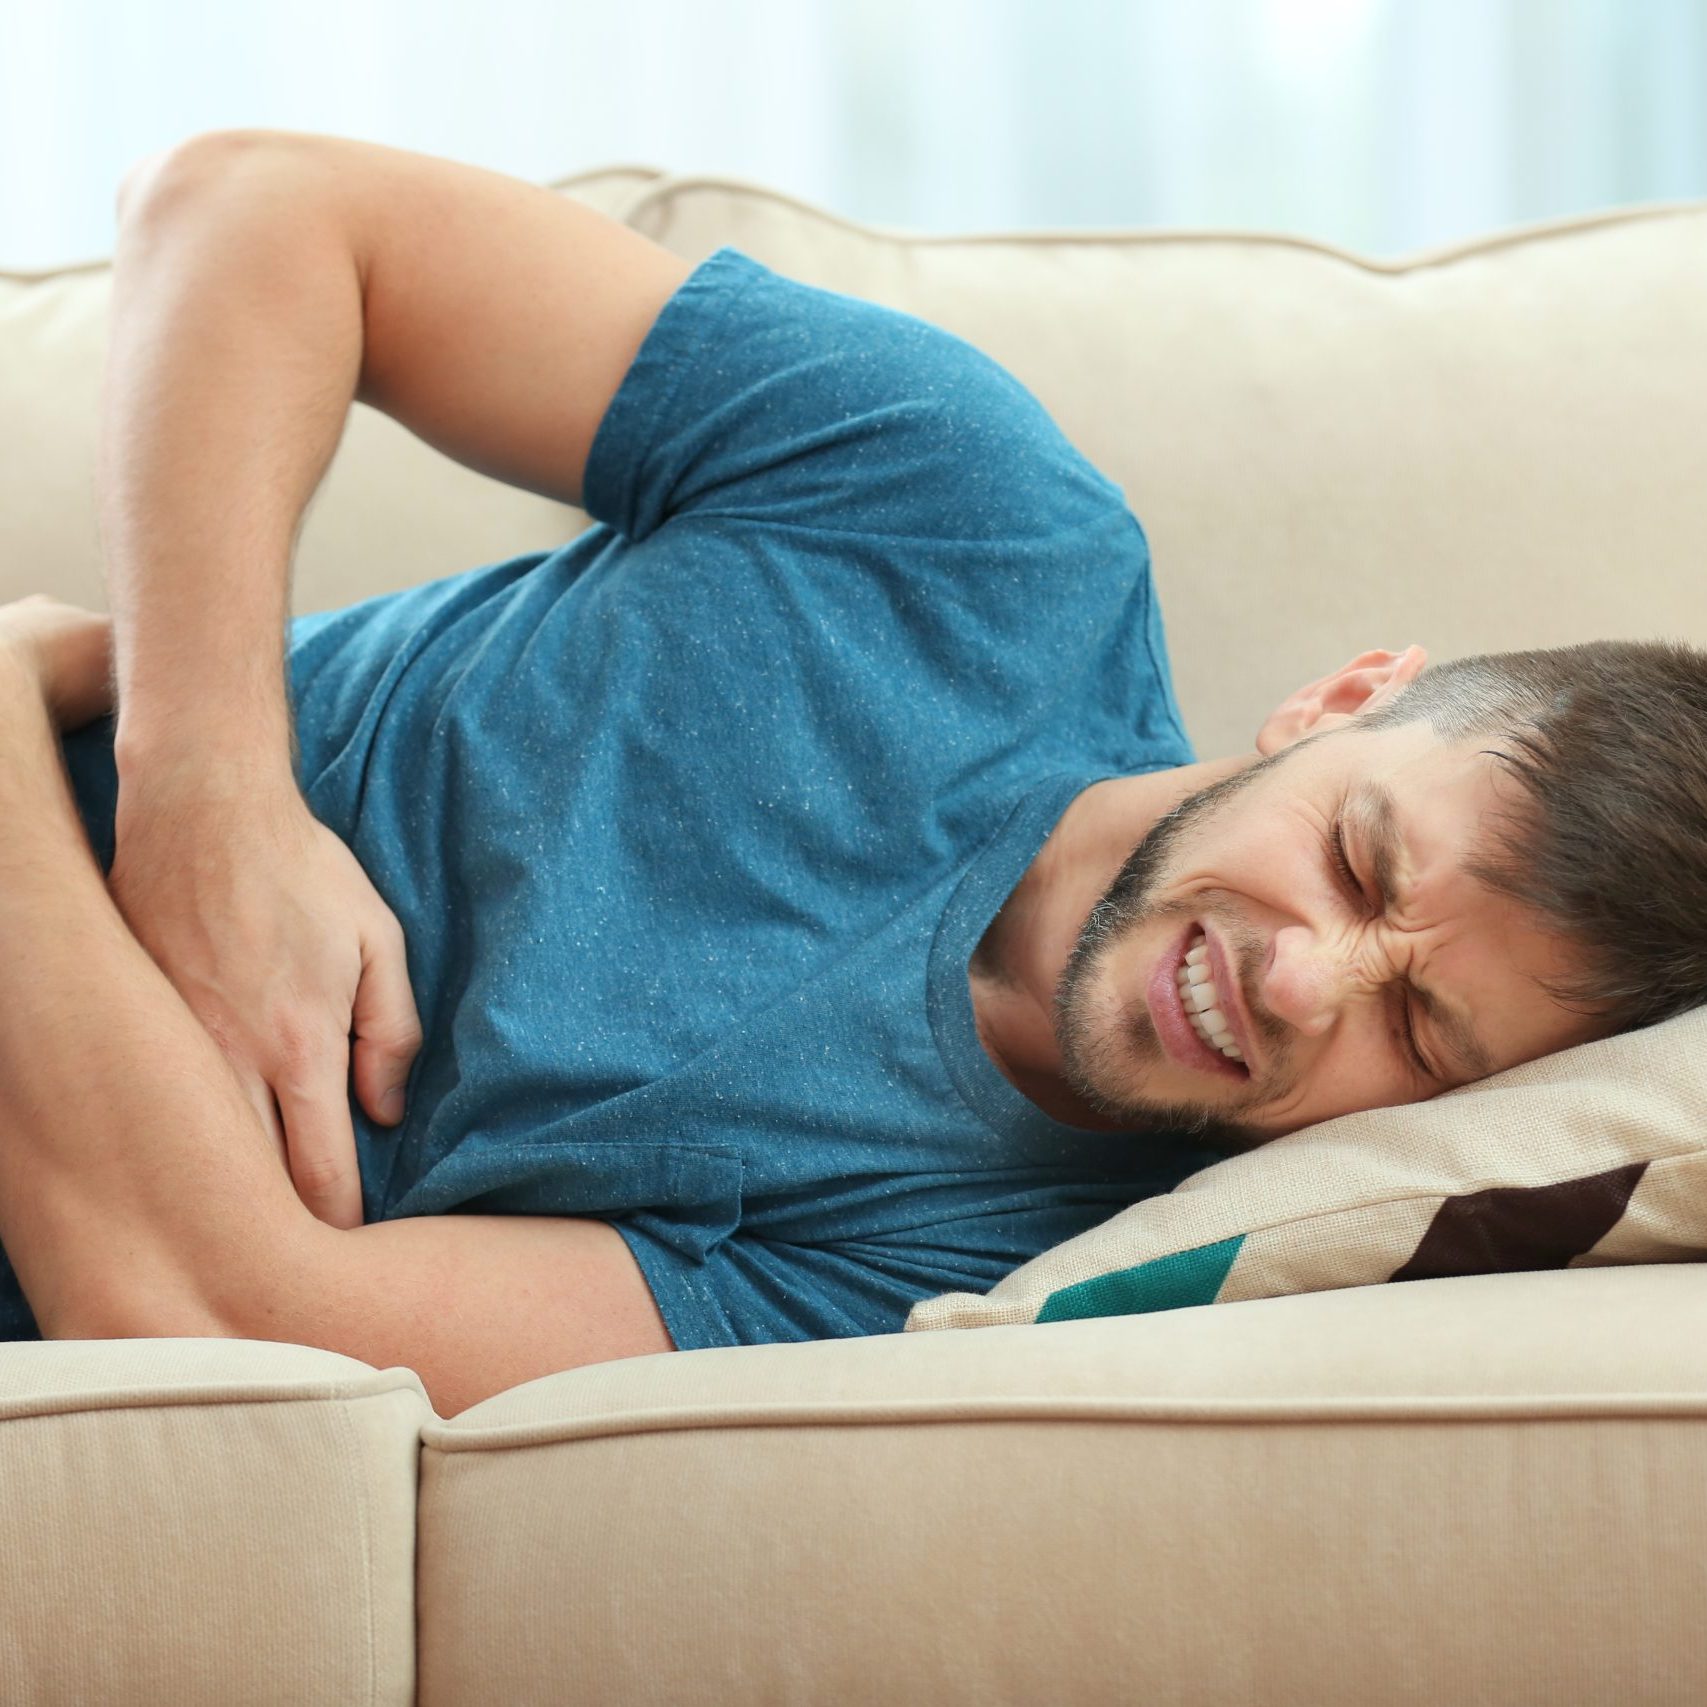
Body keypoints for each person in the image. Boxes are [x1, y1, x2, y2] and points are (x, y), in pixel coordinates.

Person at [1, 131, 1702, 1416]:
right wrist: (206, 783)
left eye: (1419, 1036)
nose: (1303, 979)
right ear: (1341, 699)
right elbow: (261, 212)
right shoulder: (970, 526)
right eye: (1359, 861)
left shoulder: (986, 1275)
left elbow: (212, 1314)